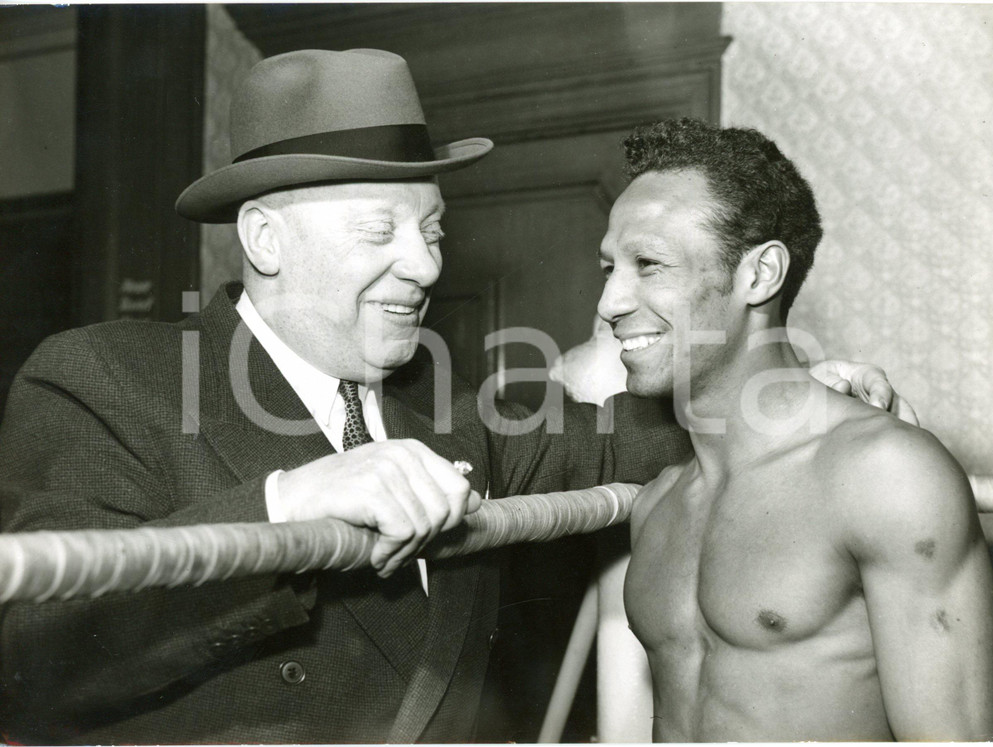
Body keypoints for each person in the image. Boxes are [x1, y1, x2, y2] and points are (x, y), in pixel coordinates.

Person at [0, 51, 902, 744]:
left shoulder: (441, 402)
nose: (426, 265)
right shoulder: (105, 378)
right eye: (381, 230)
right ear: (266, 239)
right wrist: (285, 508)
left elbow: (629, 443)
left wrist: (785, 398)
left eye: (433, 228)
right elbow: (30, 653)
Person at [600, 119, 993, 741]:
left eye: (648, 264)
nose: (610, 301)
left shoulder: (884, 474)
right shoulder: (659, 503)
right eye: (609, 268)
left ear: (759, 276)